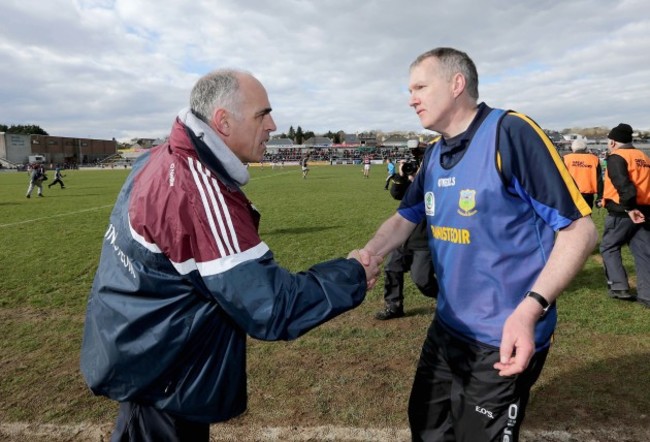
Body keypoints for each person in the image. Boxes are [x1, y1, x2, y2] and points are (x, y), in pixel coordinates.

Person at [79, 68, 380, 442]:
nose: (273, 125)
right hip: (165, 373)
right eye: (262, 114)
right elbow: (269, 306)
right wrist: (351, 273)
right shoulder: (194, 187)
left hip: (149, 354)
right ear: (222, 121)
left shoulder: (163, 158)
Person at [360, 47, 598, 441]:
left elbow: (580, 231)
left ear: (457, 84)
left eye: (420, 86)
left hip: (503, 336)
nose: (411, 98)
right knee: (427, 429)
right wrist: (369, 252)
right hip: (447, 328)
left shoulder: (510, 132)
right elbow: (406, 216)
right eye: (410, 89)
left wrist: (529, 310)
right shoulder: (435, 154)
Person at [375, 159, 438, 320]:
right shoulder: (409, 184)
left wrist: (421, 179)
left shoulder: (435, 181)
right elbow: (396, 193)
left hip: (424, 240)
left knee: (422, 280)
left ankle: (448, 300)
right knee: (392, 267)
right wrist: (403, 176)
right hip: (403, 238)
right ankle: (394, 306)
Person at [598, 123, 650, 306]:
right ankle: (647, 295)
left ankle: (619, 286)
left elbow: (623, 185)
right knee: (643, 252)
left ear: (612, 142)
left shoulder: (617, 157)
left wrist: (629, 208)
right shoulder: (643, 156)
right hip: (645, 210)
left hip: (624, 211)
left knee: (609, 246)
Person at [563, 139, 602, 207]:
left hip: (569, 193)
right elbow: (599, 180)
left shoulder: (565, 159)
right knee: (587, 216)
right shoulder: (594, 159)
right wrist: (600, 197)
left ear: (572, 148)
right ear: (586, 148)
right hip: (587, 195)